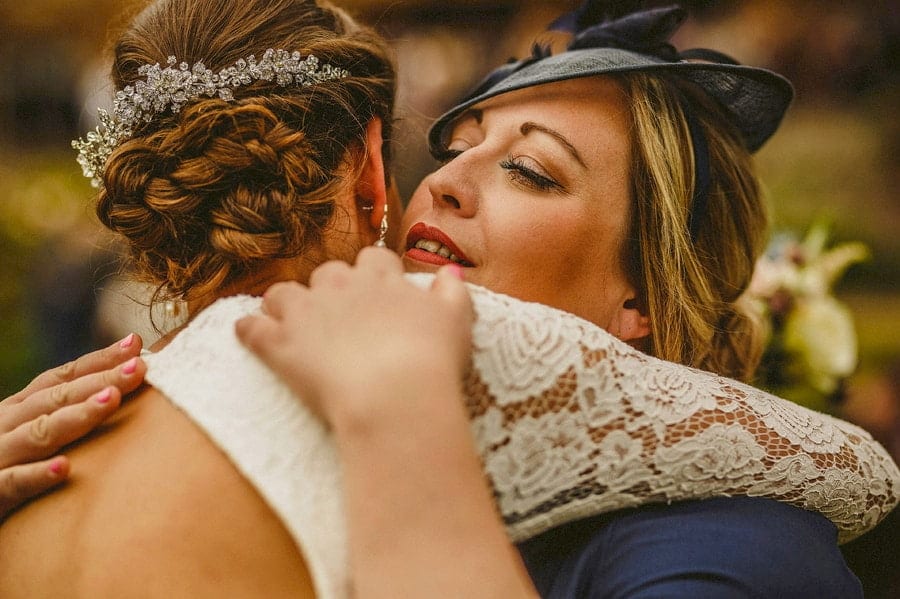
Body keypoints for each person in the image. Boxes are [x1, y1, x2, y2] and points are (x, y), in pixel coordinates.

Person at [0, 0, 896, 597]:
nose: (448, 186)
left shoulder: (739, 549)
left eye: (530, 169)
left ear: (647, 294)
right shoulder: (305, 436)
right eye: (453, 148)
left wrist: (400, 411)